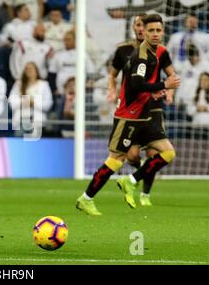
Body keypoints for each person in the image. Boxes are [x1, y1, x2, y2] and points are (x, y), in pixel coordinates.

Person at [75, 14, 181, 215]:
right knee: (116, 159)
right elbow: (135, 85)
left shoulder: (159, 51)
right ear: (143, 32)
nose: (155, 34)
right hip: (129, 116)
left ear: (163, 31)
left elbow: (146, 83)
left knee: (168, 152)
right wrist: (163, 85)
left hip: (146, 115)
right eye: (151, 30)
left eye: (158, 30)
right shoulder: (141, 56)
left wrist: (157, 90)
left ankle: (131, 181)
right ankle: (86, 198)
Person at [107, 15, 165, 206]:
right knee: (131, 155)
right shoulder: (123, 50)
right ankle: (138, 175)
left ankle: (145, 195)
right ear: (133, 27)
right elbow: (113, 74)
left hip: (152, 106)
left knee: (153, 153)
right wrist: (112, 88)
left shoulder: (159, 51)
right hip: (132, 108)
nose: (141, 29)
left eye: (144, 26)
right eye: (138, 25)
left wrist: (168, 90)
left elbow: (169, 74)